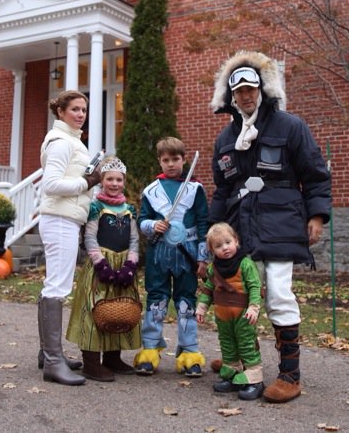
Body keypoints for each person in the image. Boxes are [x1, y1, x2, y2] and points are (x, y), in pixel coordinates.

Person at [208, 51, 331, 403]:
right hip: (239, 226)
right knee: (234, 294)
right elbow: (223, 190)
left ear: (262, 89)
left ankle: (290, 375)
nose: (245, 96)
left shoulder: (291, 127)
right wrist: (212, 232)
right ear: (231, 97)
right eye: (239, 92)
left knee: (278, 294)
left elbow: (316, 175)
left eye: (251, 88)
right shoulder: (224, 139)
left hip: (282, 222)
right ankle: (240, 360)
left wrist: (317, 215)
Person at [35, 89, 103, 386]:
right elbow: (50, 184)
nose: (80, 114)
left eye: (84, 110)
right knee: (57, 286)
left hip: (65, 218)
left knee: (54, 283)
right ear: (60, 112)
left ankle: (48, 354)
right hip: (59, 219)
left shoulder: (71, 141)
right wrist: (86, 181)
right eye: (74, 109)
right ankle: (52, 361)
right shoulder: (62, 142)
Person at [134, 136, 209, 377]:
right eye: (166, 160)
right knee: (156, 300)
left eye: (175, 159)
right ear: (160, 161)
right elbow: (142, 219)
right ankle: (150, 349)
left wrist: (202, 258)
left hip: (186, 252)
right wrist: (152, 225)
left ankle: (189, 351)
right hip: (159, 254)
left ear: (184, 160)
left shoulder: (195, 189)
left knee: (186, 302)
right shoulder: (151, 190)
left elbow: (202, 223)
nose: (171, 164)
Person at [66, 156, 141, 381]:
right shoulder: (96, 206)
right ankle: (90, 361)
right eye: (110, 179)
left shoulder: (129, 209)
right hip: (102, 266)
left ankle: (112, 356)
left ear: (124, 182)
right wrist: (100, 264)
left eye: (119, 179)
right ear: (102, 181)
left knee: (119, 309)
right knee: (95, 309)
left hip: (123, 265)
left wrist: (131, 264)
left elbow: (135, 239)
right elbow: (89, 236)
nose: (114, 183)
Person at [196, 222, 264, 400]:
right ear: (212, 250)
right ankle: (232, 370)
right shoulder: (213, 268)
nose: (225, 248)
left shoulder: (246, 264)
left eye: (228, 242)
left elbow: (255, 286)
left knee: (246, 343)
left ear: (236, 241)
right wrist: (202, 307)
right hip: (223, 316)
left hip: (243, 314)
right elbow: (208, 289)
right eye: (218, 246)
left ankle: (254, 378)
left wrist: (254, 307)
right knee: (227, 344)